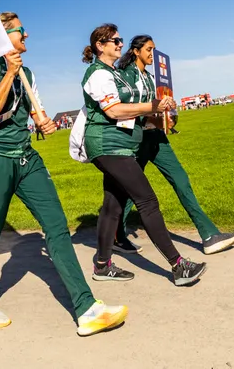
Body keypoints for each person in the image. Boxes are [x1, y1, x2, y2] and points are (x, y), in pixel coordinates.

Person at [0, 11, 127, 336]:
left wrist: (43, 124)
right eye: (20, 31)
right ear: (2, 36)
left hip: (27, 158)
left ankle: (87, 308)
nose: (26, 36)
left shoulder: (28, 71)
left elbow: (32, 113)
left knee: (56, 226)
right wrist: (10, 73)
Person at [80, 23, 206, 287]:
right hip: (109, 145)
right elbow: (114, 111)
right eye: (114, 40)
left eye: (120, 39)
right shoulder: (98, 74)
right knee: (147, 200)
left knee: (113, 206)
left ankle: (102, 265)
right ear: (100, 46)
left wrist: (157, 115)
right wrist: (153, 105)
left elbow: (129, 111)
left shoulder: (112, 73)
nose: (119, 44)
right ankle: (177, 265)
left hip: (121, 144)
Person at [112, 35, 234, 256]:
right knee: (130, 189)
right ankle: (116, 234)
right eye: (148, 49)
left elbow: (157, 107)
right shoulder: (126, 76)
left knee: (181, 180)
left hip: (156, 137)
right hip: (137, 140)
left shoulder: (151, 77)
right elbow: (127, 108)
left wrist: (168, 117)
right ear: (136, 51)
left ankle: (209, 235)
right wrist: (151, 116)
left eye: (154, 49)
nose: (153, 54)